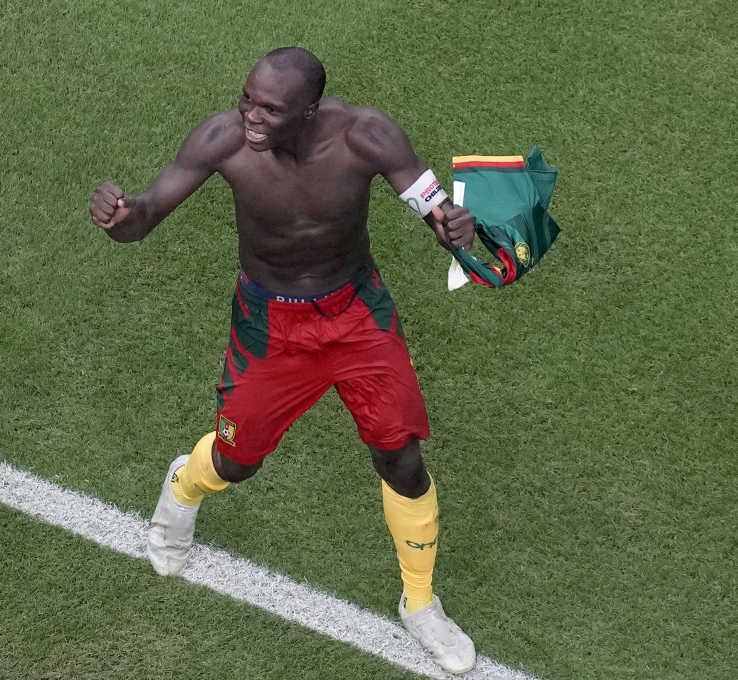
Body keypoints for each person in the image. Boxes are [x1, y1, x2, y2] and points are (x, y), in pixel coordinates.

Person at [88, 47, 477, 674]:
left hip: (357, 315)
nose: (251, 115)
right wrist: (119, 219)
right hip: (271, 325)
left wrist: (453, 228)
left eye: (269, 108)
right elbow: (146, 217)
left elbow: (436, 213)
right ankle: (179, 493)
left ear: (311, 111)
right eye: (247, 99)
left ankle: (421, 603)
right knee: (236, 461)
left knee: (401, 456)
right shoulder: (224, 140)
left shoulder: (368, 136)